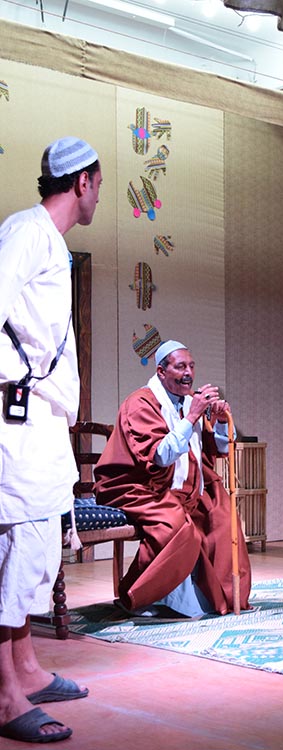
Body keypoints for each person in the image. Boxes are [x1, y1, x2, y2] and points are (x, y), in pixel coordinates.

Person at [0, 137, 102, 743]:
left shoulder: (51, 242)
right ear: (83, 182)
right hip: (16, 418)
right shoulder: (25, 232)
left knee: (36, 545)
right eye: (99, 185)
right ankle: (5, 696)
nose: (98, 197)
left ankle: (27, 670)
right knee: (17, 546)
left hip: (40, 418)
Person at [94, 340, 252, 618]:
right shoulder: (140, 403)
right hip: (138, 486)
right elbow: (160, 456)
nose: (188, 373)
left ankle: (219, 597)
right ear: (161, 371)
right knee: (174, 526)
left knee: (222, 515)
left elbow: (216, 449)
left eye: (191, 366)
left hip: (184, 488)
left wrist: (219, 421)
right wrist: (192, 416)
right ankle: (139, 596)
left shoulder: (189, 403)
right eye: (180, 367)